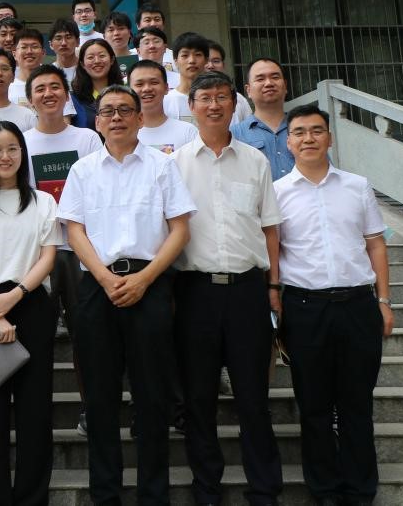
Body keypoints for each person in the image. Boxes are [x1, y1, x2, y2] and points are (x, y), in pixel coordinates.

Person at [58, 85, 195, 506]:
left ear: (139, 118)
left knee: (152, 396)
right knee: (100, 398)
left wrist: (145, 279)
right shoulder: (83, 170)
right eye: (108, 111)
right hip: (97, 288)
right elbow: (74, 230)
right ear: (97, 122)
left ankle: (154, 494)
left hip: (149, 286)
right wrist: (103, 278)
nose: (116, 117)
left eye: (124, 110)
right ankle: (106, 494)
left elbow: (180, 229)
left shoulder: (162, 165)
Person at [172, 71, 284, 506]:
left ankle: (264, 489)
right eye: (205, 98)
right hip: (194, 291)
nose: (214, 105)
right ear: (192, 106)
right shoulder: (174, 164)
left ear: (234, 105)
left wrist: (273, 285)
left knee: (253, 396)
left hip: (247, 291)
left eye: (222, 97)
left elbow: (270, 229)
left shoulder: (255, 161)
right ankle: (207, 488)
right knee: (199, 398)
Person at [274, 105, 395, 506]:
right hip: (304, 308)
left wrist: (383, 300)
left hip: (358, 305)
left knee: (357, 402)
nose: (308, 138)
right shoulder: (276, 192)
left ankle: (360, 487)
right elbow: (273, 251)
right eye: (299, 132)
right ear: (288, 142)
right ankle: (324, 488)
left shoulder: (357, 186)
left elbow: (375, 244)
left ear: (329, 137)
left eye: (316, 131)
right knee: (314, 404)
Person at [0, 121, 62, 506]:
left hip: (32, 305)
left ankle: (31, 497)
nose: (5, 157)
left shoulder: (43, 202)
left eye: (13, 149)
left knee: (34, 411)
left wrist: (17, 296)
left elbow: (48, 257)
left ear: (23, 154)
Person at [22, 65, 102, 434]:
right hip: (38, 251)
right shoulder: (22, 142)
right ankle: (34, 411)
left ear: (66, 95)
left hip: (79, 250)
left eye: (55, 87)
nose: (48, 94)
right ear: (30, 99)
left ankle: (92, 408)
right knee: (34, 334)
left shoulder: (87, 140)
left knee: (86, 335)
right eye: (40, 89)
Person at [234, 58, 294, 180]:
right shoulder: (234, 135)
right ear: (248, 90)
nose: (269, 83)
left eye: (275, 77)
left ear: (285, 86)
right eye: (260, 79)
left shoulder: (304, 129)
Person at [129, 61, 198, 155]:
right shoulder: (124, 134)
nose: (147, 89)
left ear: (166, 88)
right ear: (130, 90)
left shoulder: (188, 132)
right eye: (139, 84)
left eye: (154, 82)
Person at [70, 38, 125, 131]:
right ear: (82, 64)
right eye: (90, 57)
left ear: (112, 60)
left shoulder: (125, 94)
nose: (97, 61)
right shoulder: (73, 99)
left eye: (102, 56)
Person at [164, 32, 210, 122]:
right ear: (175, 61)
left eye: (198, 55)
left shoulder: (219, 99)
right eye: (185, 55)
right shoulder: (165, 101)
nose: (192, 60)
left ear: (206, 60)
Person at [204, 42, 253, 124]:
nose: (210, 66)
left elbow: (250, 127)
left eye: (216, 61)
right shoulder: (188, 98)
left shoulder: (239, 99)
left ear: (223, 65)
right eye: (206, 61)